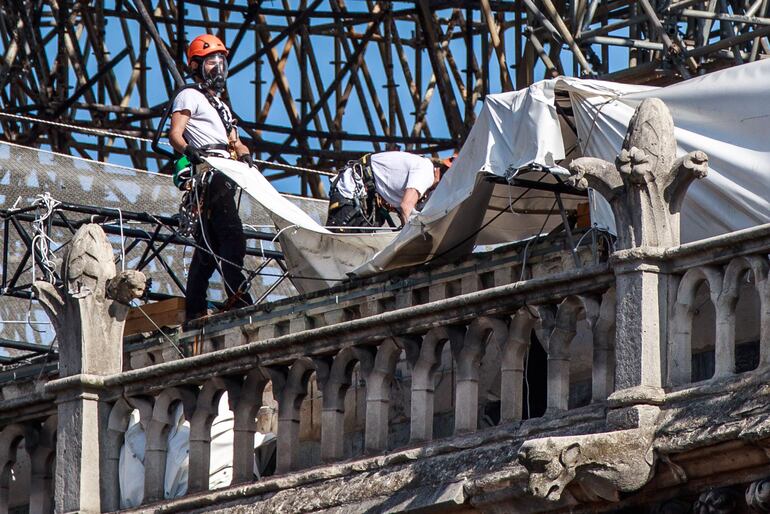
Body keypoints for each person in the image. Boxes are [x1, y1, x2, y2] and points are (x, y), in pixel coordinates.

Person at [167, 34, 255, 321]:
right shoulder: (188, 96)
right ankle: (239, 297)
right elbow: (175, 134)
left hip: (226, 170)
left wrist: (243, 152)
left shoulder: (222, 106)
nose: (217, 69)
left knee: (208, 248)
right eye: (210, 63)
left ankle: (195, 308)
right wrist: (189, 152)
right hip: (209, 172)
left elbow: (234, 141)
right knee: (232, 237)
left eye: (221, 63)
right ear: (196, 66)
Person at [326, 151, 444, 231]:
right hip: (352, 192)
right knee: (338, 243)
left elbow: (405, 211)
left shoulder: (422, 169)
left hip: (366, 197)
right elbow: (406, 207)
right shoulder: (426, 173)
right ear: (439, 174)